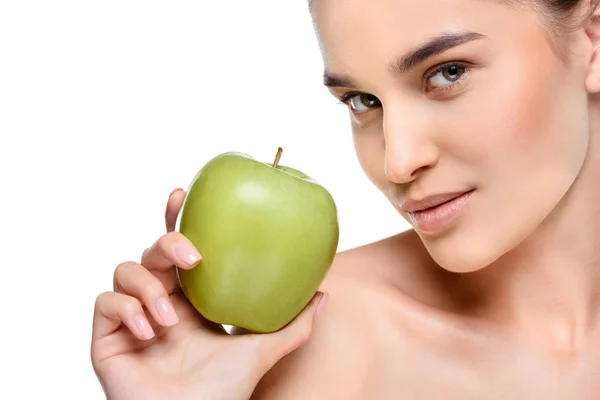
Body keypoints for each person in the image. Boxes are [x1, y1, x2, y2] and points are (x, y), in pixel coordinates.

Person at [91, 0, 600, 398]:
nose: (396, 161)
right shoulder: (311, 346)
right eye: (363, 101)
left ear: (592, 37)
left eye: (448, 72)